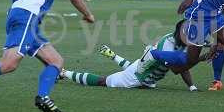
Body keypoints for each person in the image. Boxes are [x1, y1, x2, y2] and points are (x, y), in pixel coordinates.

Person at [60, 20, 213, 91]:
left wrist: (192, 87)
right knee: (103, 81)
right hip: (136, 78)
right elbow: (178, 69)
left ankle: (112, 55)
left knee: (134, 66)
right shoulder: (168, 45)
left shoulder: (179, 42)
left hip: (144, 72)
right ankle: (64, 73)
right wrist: (201, 58)